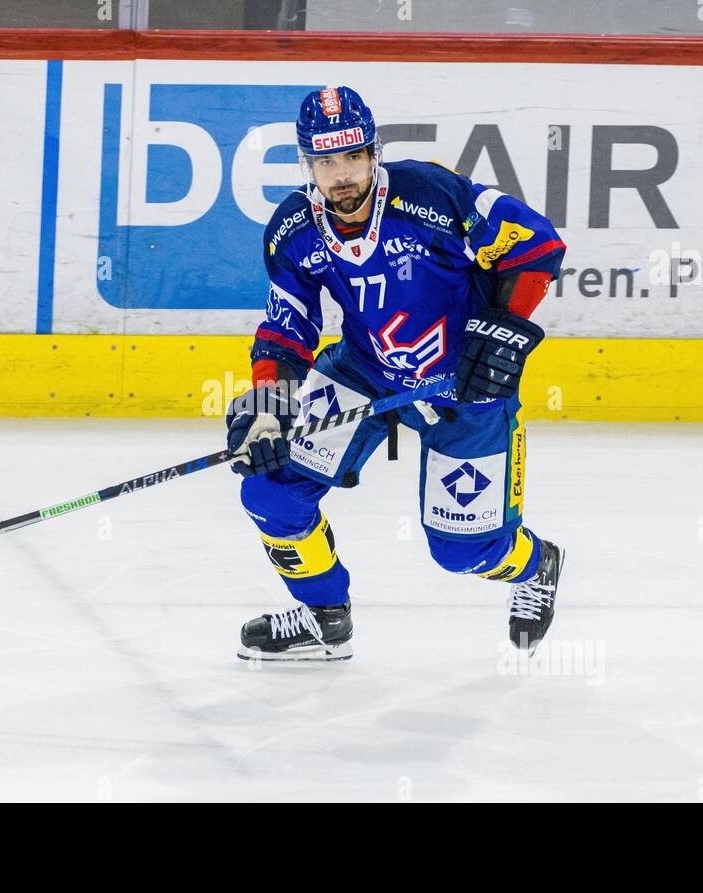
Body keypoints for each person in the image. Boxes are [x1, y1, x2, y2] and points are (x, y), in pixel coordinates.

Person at [226, 86, 567, 661]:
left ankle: (536, 565)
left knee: (464, 554)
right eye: (326, 162)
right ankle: (324, 617)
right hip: (365, 373)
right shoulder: (293, 231)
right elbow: (287, 331)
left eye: (353, 157)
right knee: (271, 490)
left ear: (374, 152)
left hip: (465, 388)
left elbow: (536, 245)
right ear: (307, 164)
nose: (341, 175)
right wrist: (268, 407)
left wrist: (500, 332)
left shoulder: (431, 193)